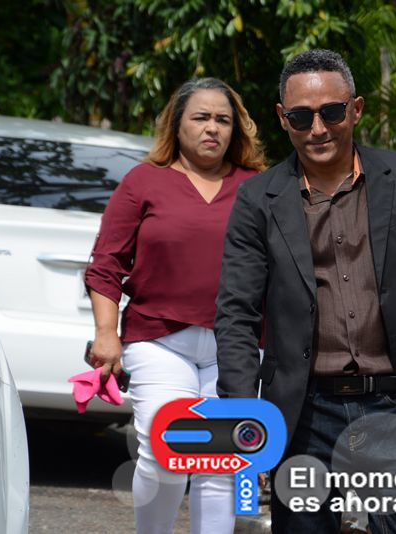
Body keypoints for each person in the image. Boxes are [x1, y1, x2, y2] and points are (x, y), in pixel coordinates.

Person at [214, 49, 396, 533]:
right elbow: (236, 314)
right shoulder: (258, 199)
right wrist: (244, 413)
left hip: (392, 406)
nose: (317, 129)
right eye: (301, 117)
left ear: (356, 108)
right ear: (283, 118)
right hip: (303, 412)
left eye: (331, 112)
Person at [84, 77, 266, 534]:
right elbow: (106, 264)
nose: (212, 128)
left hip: (237, 348)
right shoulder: (144, 181)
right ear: (177, 124)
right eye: (201, 117)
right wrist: (106, 334)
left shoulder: (258, 187)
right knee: (164, 452)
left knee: (219, 463)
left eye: (223, 120)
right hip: (159, 340)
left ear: (236, 130)